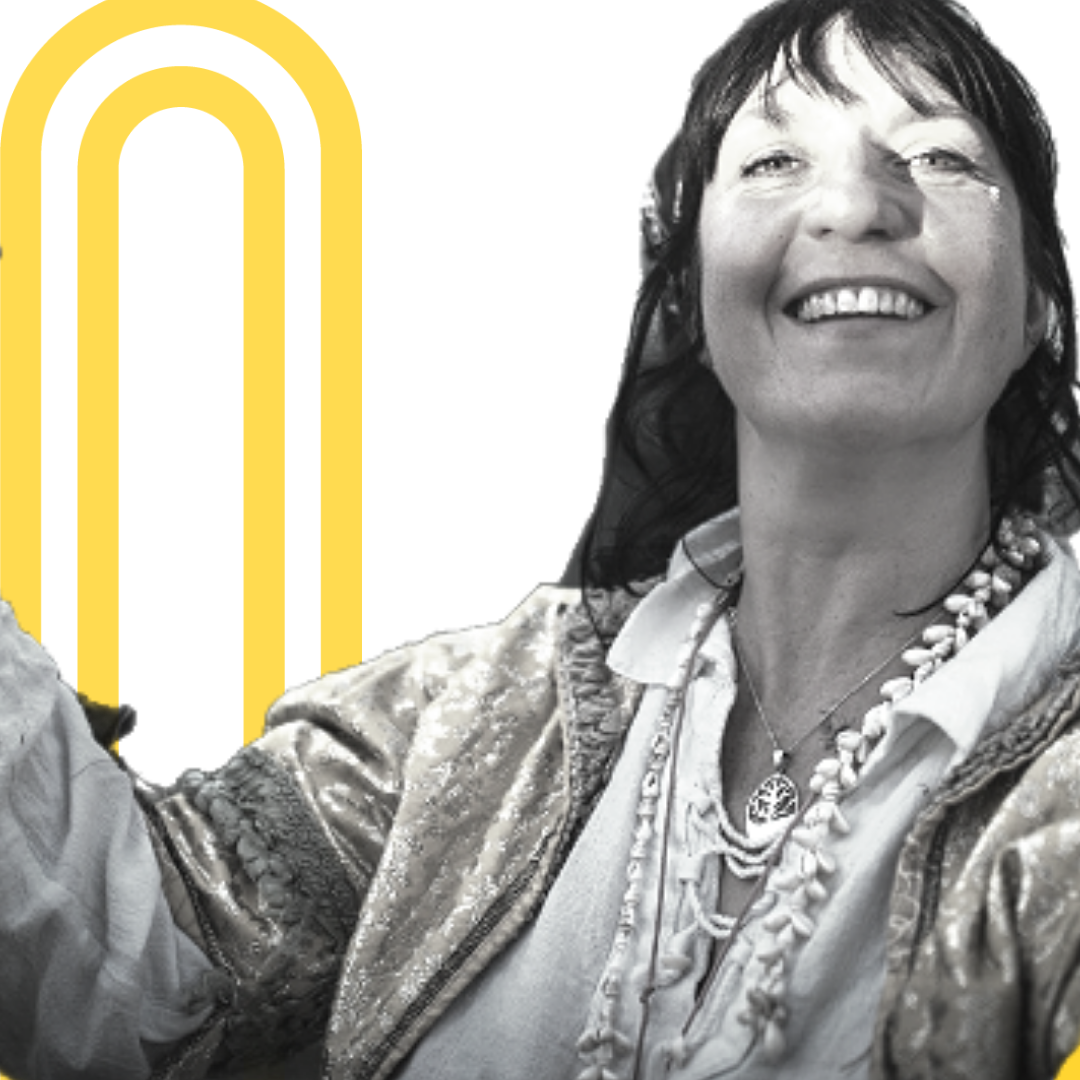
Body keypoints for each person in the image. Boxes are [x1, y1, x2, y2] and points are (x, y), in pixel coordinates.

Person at [2, 0, 1080, 1077]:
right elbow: (135, 981)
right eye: (773, 161)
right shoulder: (475, 724)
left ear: (1038, 298)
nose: (853, 204)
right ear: (692, 299)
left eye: (940, 156)